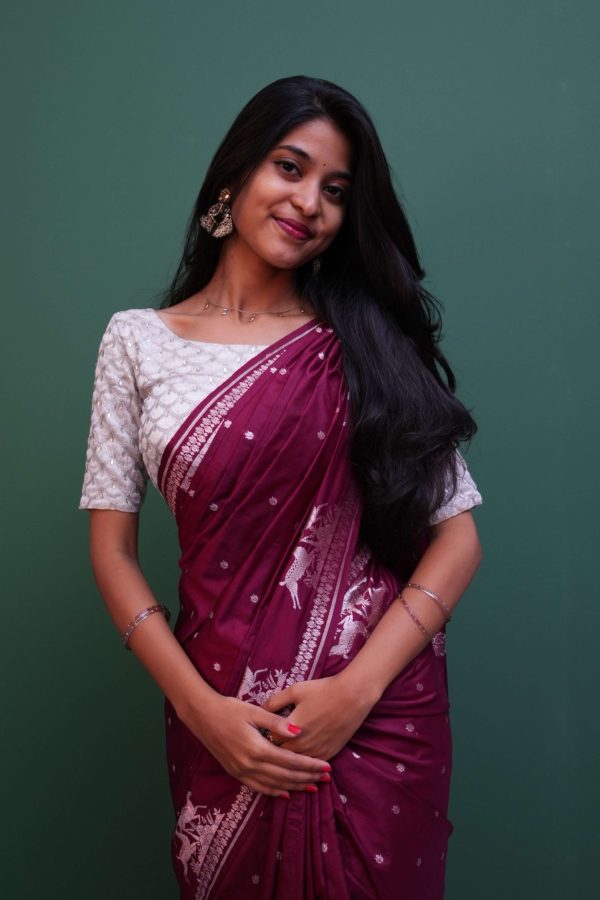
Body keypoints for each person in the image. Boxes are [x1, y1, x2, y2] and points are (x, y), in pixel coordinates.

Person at [80, 75, 482, 900]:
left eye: (335, 190)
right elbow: (112, 552)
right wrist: (202, 712)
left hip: (375, 718)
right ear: (235, 175)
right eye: (290, 168)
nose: (309, 203)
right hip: (220, 711)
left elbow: (459, 538)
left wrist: (355, 694)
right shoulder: (137, 343)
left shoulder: (365, 344)